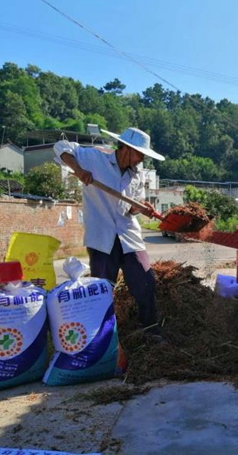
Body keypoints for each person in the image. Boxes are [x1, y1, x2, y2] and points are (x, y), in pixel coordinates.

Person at [54, 127, 166, 342]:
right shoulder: (95, 158)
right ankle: (102, 338)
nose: (142, 159)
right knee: (103, 290)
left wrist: (139, 208)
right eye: (140, 154)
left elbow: (129, 208)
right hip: (101, 237)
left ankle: (150, 331)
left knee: (145, 281)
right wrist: (78, 170)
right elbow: (61, 147)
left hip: (129, 236)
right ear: (127, 149)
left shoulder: (137, 175)